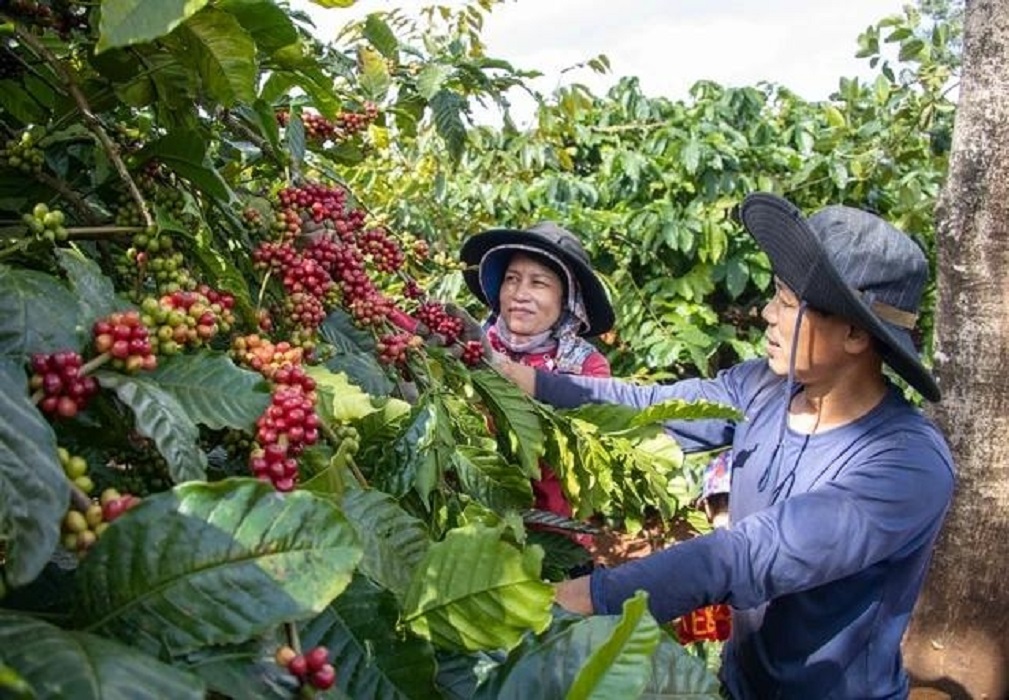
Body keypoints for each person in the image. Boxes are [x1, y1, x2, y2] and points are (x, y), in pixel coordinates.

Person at [490, 193, 955, 699]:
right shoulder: (761, 388)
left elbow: (746, 555)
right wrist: (512, 376)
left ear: (854, 334)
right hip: (739, 684)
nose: (766, 314)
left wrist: (579, 598)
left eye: (787, 301)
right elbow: (645, 407)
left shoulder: (906, 465)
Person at [459, 222, 614, 537]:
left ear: (566, 300)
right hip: (468, 527)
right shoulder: (466, 343)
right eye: (511, 279)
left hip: (550, 535)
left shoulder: (587, 368)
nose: (519, 294)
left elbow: (573, 447)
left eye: (538, 283)